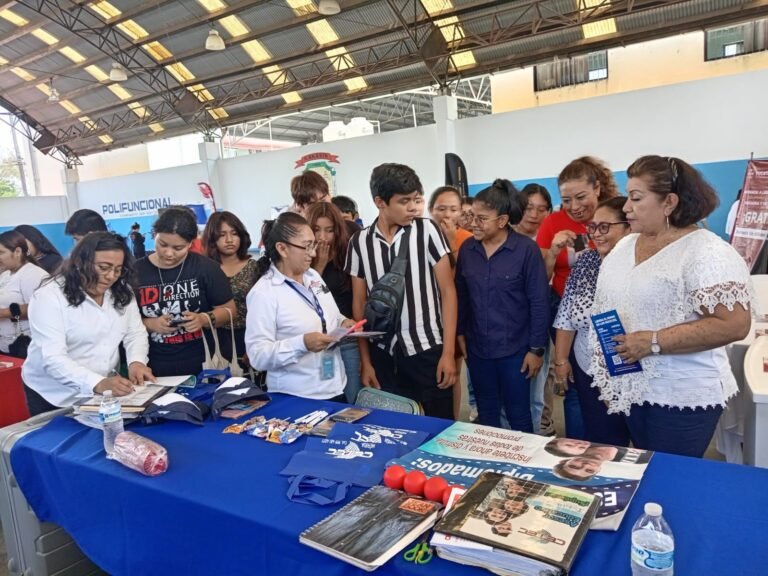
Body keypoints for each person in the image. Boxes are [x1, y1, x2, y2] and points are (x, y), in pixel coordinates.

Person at [589, 155, 753, 458]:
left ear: (669, 202)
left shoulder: (706, 252)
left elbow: (734, 324)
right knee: (643, 466)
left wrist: (653, 341)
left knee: (669, 473)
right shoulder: (626, 244)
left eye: (636, 198)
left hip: (680, 395)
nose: (626, 207)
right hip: (632, 384)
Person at [346, 163, 458, 418]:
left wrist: (448, 353)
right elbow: (359, 304)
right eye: (403, 201)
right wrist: (366, 361)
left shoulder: (427, 231)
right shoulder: (359, 242)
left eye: (415, 200)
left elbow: (448, 292)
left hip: (427, 349)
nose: (412, 208)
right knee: (392, 427)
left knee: (440, 426)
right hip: (383, 354)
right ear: (380, 202)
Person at [22, 232, 154, 415]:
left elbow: (135, 332)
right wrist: (97, 383)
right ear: (79, 262)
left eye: (118, 270)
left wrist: (137, 361)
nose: (111, 276)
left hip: (103, 391)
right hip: (54, 394)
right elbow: (53, 358)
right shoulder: (49, 297)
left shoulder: (122, 292)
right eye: (104, 267)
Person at [456, 179, 549, 432]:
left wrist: (536, 350)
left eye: (481, 218)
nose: (473, 223)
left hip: (516, 351)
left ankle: (521, 459)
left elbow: (539, 302)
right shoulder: (467, 250)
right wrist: (460, 333)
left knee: (519, 415)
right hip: (478, 350)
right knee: (486, 414)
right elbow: (461, 295)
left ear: (502, 220)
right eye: (471, 216)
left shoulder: (526, 250)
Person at [537, 157, 618, 438]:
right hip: (566, 311)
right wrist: (553, 250)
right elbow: (541, 278)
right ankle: (578, 445)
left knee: (612, 380)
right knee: (573, 381)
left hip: (612, 311)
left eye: (581, 197)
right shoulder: (552, 223)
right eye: (566, 200)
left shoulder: (616, 215)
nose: (574, 206)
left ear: (597, 188)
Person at [245, 212, 357, 400]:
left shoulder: (313, 276)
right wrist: (302, 344)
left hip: (334, 387)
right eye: (307, 247)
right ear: (282, 248)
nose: (313, 253)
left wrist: (344, 322)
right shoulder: (264, 293)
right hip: (296, 395)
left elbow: (331, 314)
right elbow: (258, 356)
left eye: (313, 245)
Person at [553, 197, 632, 446]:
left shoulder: (641, 264)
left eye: (604, 227)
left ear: (629, 227)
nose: (596, 234)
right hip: (588, 367)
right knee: (601, 440)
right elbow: (566, 314)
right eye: (593, 227)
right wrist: (561, 361)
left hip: (633, 367)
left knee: (640, 443)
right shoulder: (586, 261)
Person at [134, 206, 236, 377]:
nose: (169, 253)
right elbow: (124, 323)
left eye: (178, 248)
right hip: (153, 366)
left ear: (190, 243)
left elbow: (230, 311)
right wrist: (151, 324)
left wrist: (203, 319)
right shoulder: (136, 272)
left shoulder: (206, 268)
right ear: (154, 235)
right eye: (162, 244)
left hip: (205, 363)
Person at [305, 202, 361, 403]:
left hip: (347, 339)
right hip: (318, 343)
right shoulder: (303, 261)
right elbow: (306, 298)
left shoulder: (348, 255)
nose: (322, 237)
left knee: (353, 398)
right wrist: (318, 266)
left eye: (329, 230)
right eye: (316, 229)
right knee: (327, 401)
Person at [428, 185, 473, 419]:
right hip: (426, 317)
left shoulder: (468, 240)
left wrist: (452, 243)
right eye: (441, 209)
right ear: (430, 210)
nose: (447, 215)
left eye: (453, 209)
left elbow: (459, 282)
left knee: (452, 372)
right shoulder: (420, 237)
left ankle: (452, 420)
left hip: (456, 315)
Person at [514, 184, 553, 433]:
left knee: (540, 380)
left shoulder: (552, 238)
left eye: (541, 209)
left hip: (543, 317)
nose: (534, 215)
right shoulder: (506, 238)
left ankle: (540, 428)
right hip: (513, 322)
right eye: (529, 208)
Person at [202, 211, 259, 362]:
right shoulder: (205, 269)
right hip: (215, 338)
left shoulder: (256, 268)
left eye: (234, 234)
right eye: (222, 235)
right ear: (212, 238)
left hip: (250, 335)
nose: (229, 240)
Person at [0, 231, 48, 356]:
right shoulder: (6, 275)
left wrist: (3, 313)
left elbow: (39, 309)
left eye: (1, 253)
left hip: (26, 346)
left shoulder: (34, 274)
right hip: (6, 345)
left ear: (17, 251)